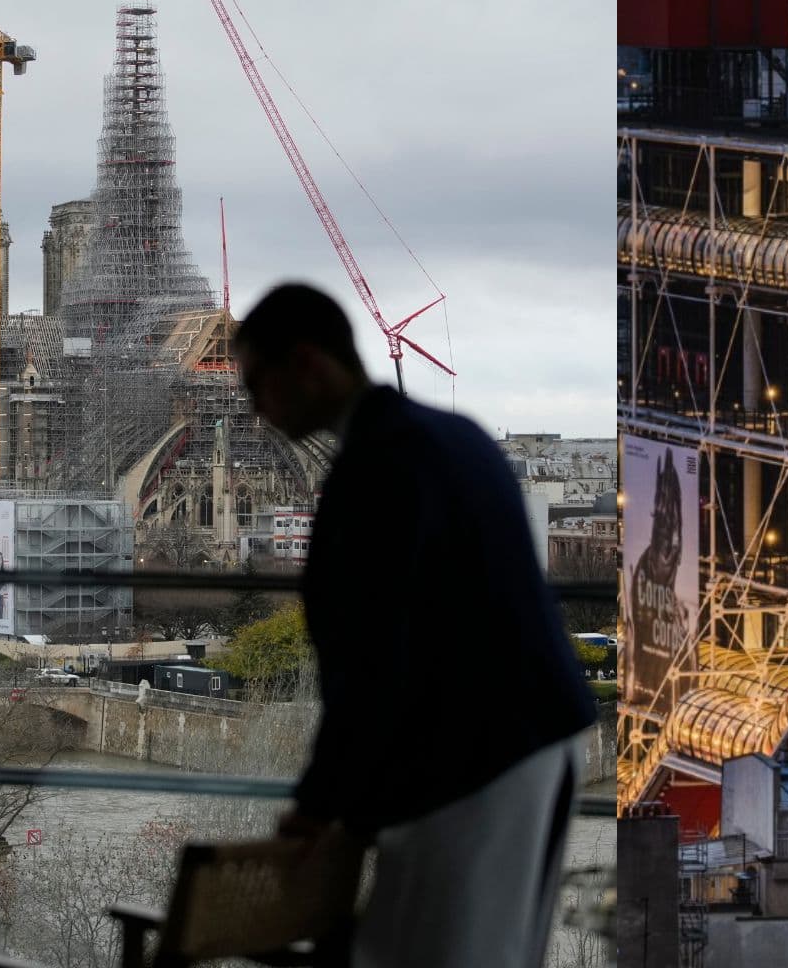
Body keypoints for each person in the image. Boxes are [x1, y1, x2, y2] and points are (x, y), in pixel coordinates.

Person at [236, 283, 598, 968]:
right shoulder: (456, 436)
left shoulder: (370, 472)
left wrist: (318, 804)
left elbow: (366, 662)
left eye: (258, 385)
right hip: (546, 741)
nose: (256, 409)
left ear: (306, 363)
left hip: (472, 757)